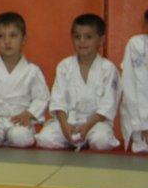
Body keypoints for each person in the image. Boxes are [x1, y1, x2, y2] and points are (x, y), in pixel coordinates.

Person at [35, 14, 121, 151]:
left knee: (101, 141)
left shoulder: (108, 69)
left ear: (101, 40)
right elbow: (58, 101)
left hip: (95, 124)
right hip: (69, 121)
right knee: (45, 138)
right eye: (77, 37)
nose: (82, 42)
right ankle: (72, 139)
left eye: (88, 37)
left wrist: (86, 127)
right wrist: (64, 126)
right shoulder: (64, 66)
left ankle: (84, 140)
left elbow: (108, 106)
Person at [0, 12, 50, 148]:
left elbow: (41, 98)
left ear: (24, 39)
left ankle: (11, 137)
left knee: (20, 138)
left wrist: (29, 114)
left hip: (19, 120)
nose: (7, 41)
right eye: (1, 36)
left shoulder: (32, 70)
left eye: (13, 35)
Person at [120, 9, 148, 153]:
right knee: (142, 147)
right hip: (138, 117)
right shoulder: (136, 45)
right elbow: (131, 88)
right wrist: (144, 125)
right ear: (145, 25)